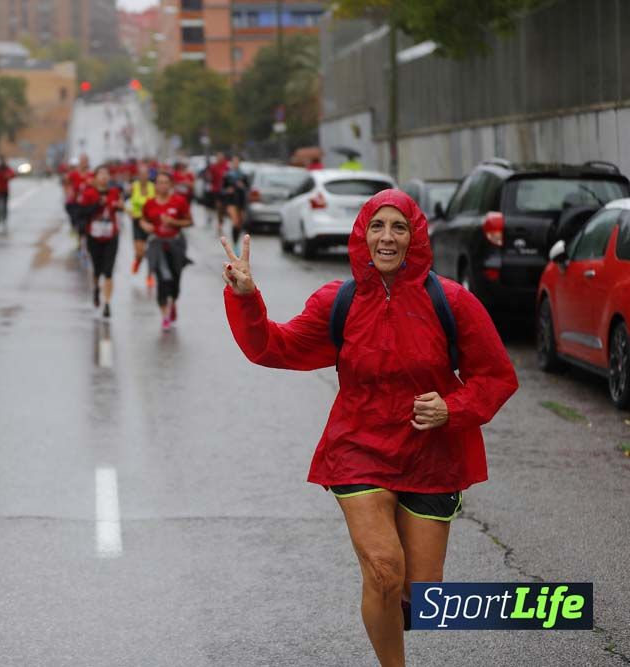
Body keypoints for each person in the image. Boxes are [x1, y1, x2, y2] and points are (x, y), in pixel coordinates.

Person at [221, 190, 518, 667]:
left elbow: (498, 377)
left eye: (399, 227)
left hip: (431, 455)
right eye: (377, 226)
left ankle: (396, 606)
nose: (387, 237)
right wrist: (246, 299)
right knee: (383, 570)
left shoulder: (452, 302)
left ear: (415, 237)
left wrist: (452, 407)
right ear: (362, 234)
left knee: (422, 594)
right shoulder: (338, 301)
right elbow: (273, 347)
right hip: (358, 448)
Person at [141, 172, 193, 331]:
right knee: (162, 280)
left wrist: (173, 222)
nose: (162, 185)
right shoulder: (149, 203)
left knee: (175, 280)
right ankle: (165, 316)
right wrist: (145, 225)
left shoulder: (179, 201)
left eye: (165, 182)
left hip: (176, 244)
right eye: (159, 182)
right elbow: (143, 219)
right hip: (157, 246)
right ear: (155, 185)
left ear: (171, 185)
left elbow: (189, 221)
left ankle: (173, 302)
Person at [77, 166, 123, 318]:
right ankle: (96, 288)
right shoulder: (89, 193)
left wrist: (120, 206)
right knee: (97, 269)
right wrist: (97, 204)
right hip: (94, 236)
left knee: (109, 271)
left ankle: (107, 303)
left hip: (111, 235)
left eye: (106, 174)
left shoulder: (114, 192)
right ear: (95, 177)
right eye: (101, 174)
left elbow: (120, 207)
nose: (104, 176)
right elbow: (82, 213)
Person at [127, 163, 155, 285]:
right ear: (138, 175)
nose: (143, 176)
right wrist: (130, 212)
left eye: (145, 174)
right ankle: (138, 261)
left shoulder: (153, 187)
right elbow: (124, 202)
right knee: (140, 252)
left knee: (152, 252)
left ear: (148, 175)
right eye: (141, 174)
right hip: (137, 221)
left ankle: (150, 276)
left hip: (151, 222)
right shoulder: (133, 187)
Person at [222, 156, 249, 254]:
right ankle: (235, 245)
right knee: (235, 221)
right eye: (234, 162)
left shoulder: (243, 175)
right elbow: (222, 189)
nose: (236, 164)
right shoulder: (227, 175)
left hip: (241, 201)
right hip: (231, 201)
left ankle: (236, 242)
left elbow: (248, 188)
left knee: (240, 223)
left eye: (237, 162)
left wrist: (243, 186)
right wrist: (227, 190)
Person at [0, 156, 16, 232]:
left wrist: (8, 177)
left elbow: (13, 174)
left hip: (5, 190)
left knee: (4, 206)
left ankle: (4, 220)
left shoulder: (6, 168)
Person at [208, 152, 230, 232]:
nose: (220, 159)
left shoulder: (226, 166)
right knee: (219, 206)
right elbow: (210, 178)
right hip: (216, 190)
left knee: (223, 208)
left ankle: (221, 220)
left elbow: (229, 178)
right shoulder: (213, 167)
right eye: (218, 157)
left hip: (225, 190)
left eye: (221, 157)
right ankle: (219, 223)